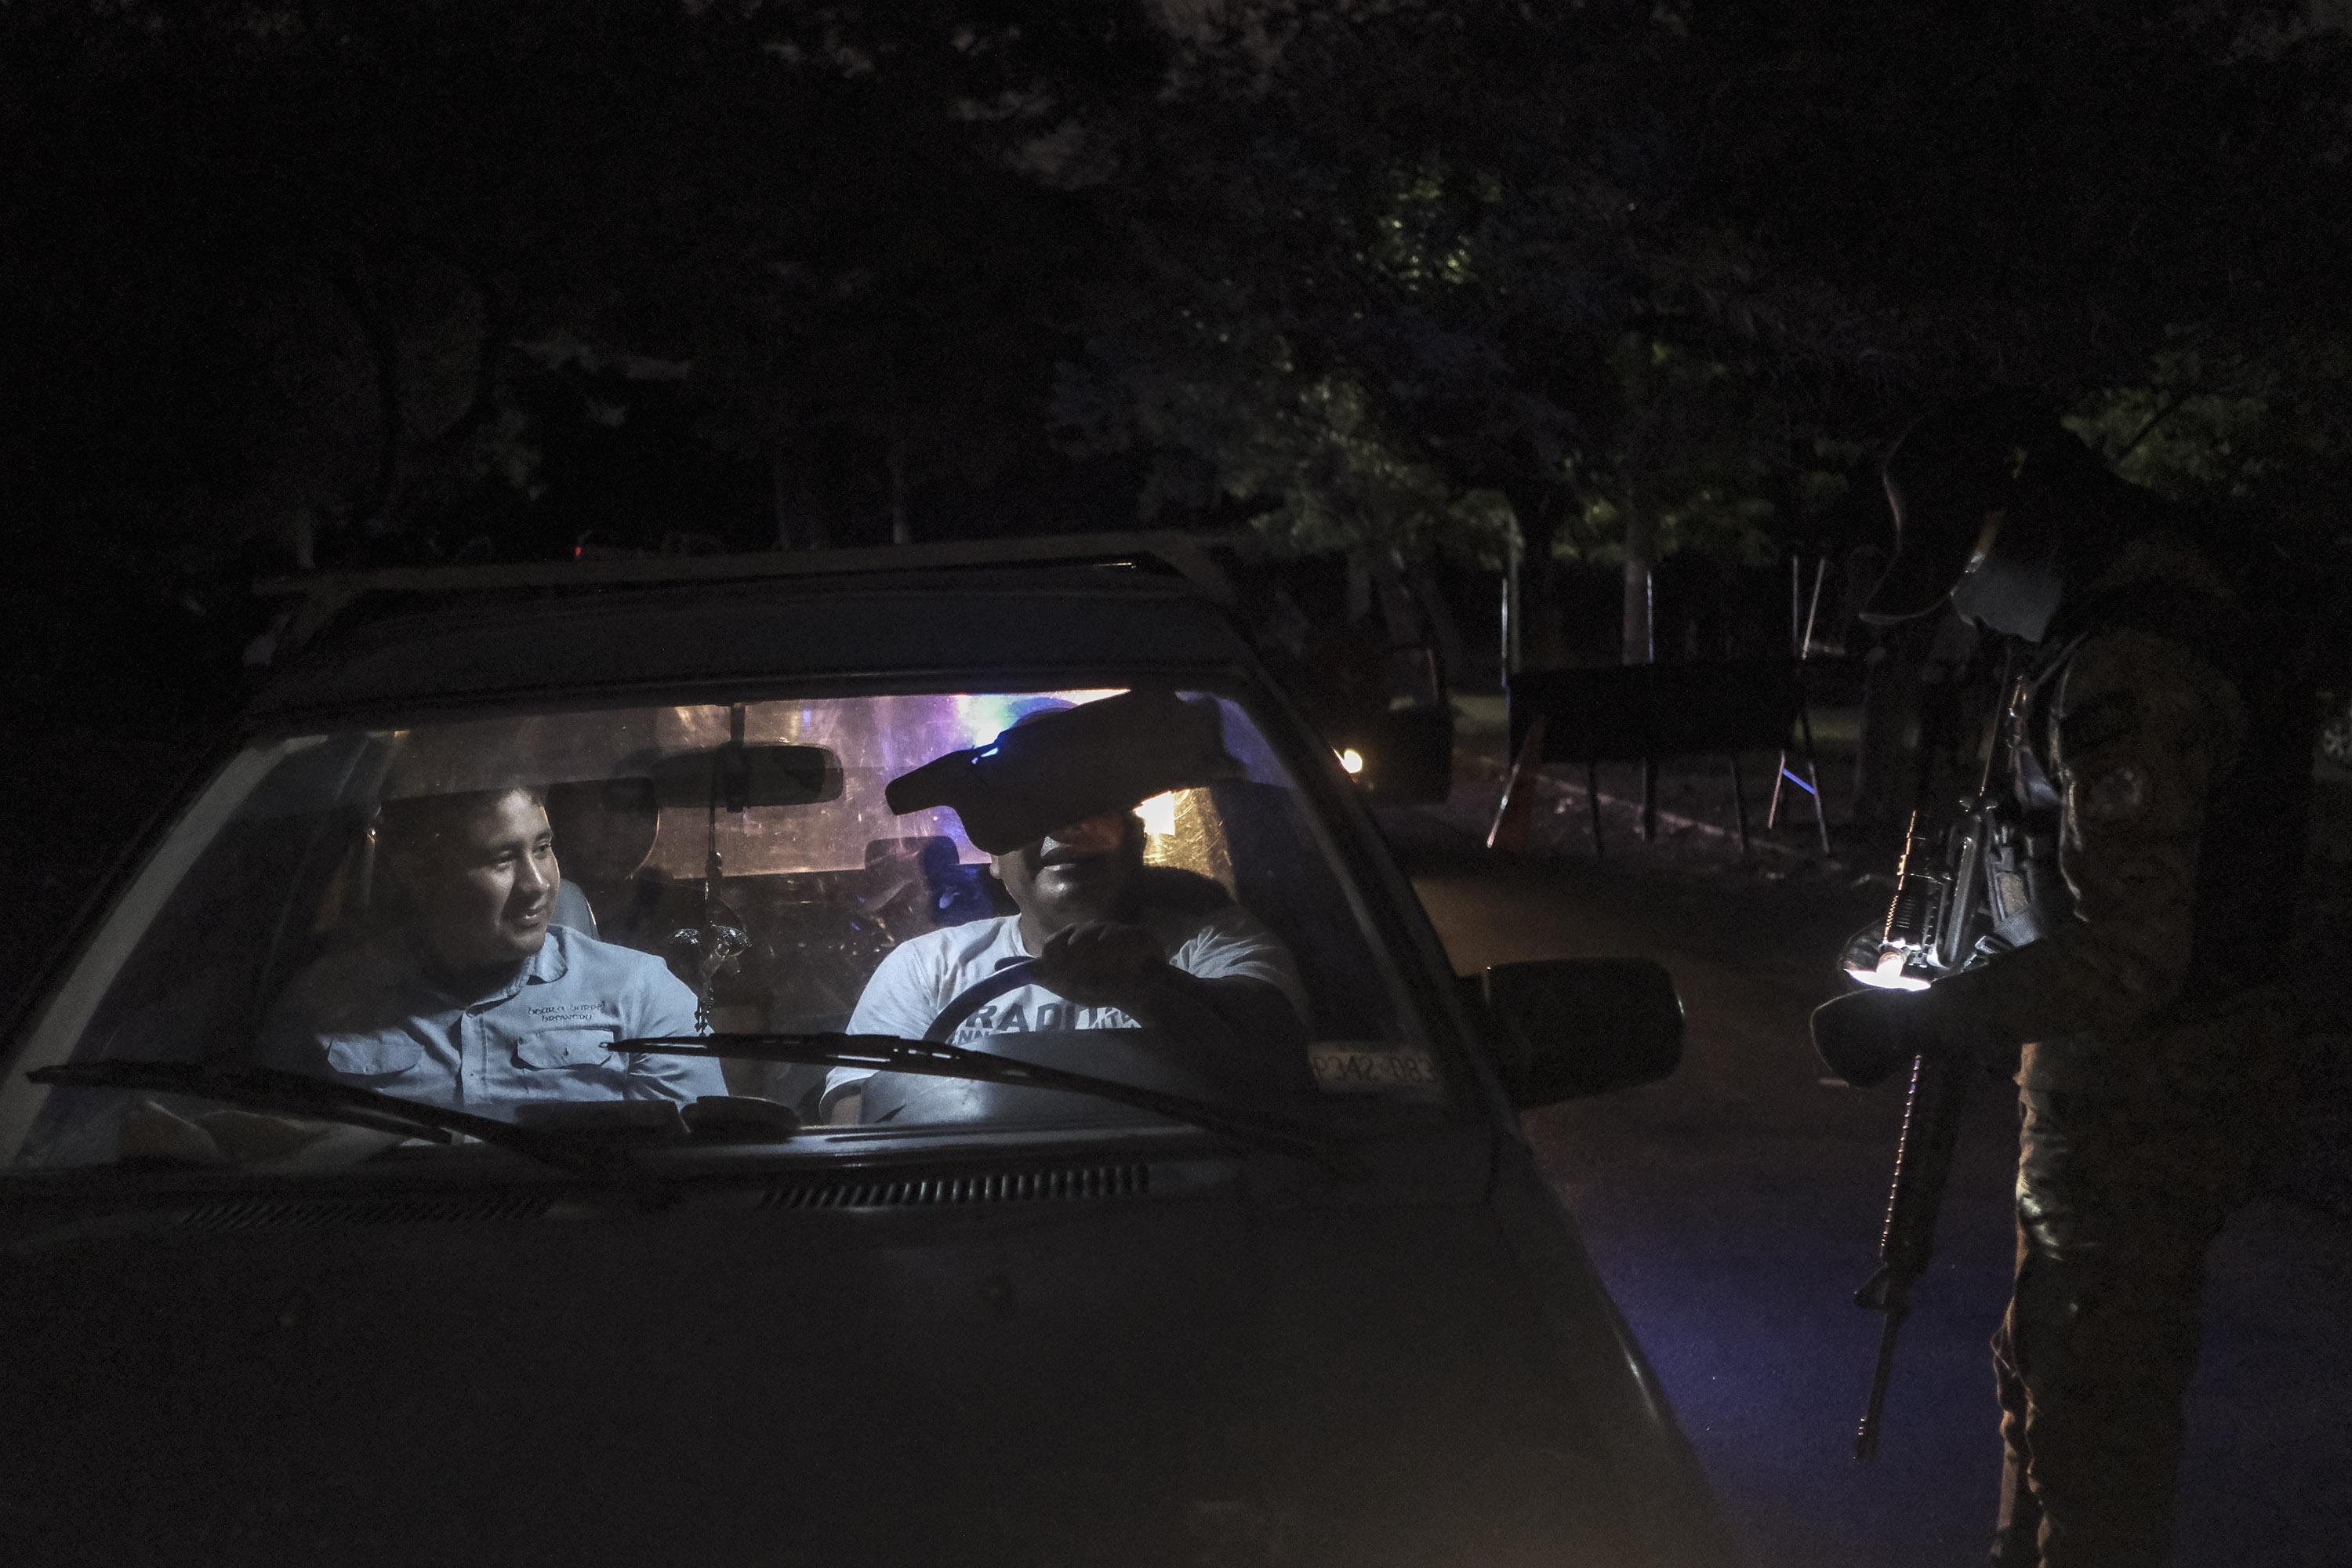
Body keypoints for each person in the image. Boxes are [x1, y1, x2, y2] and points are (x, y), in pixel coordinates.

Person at [1810, 397, 2312, 1567]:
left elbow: (2134, 957)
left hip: (2149, 1089)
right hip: (2101, 1081)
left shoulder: (2131, 663)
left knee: (2095, 1414)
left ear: (2030, 525)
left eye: (1971, 562)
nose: (1968, 597)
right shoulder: (2086, 632)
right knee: (2048, 1369)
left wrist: (1936, 1016)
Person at [825, 802, 1308, 1123]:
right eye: (1030, 813)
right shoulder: (923, 966)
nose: (1064, 829)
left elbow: (1274, 1057)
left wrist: (1142, 988)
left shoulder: (1213, 942)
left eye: (1090, 808)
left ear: (1134, 840)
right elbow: (857, 1113)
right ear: (994, 856)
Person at [262, 784, 727, 1113]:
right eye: (502, 859)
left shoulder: (642, 996)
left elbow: (685, 1179)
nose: (538, 884)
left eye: (543, 849)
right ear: (421, 876)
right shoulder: (328, 1004)